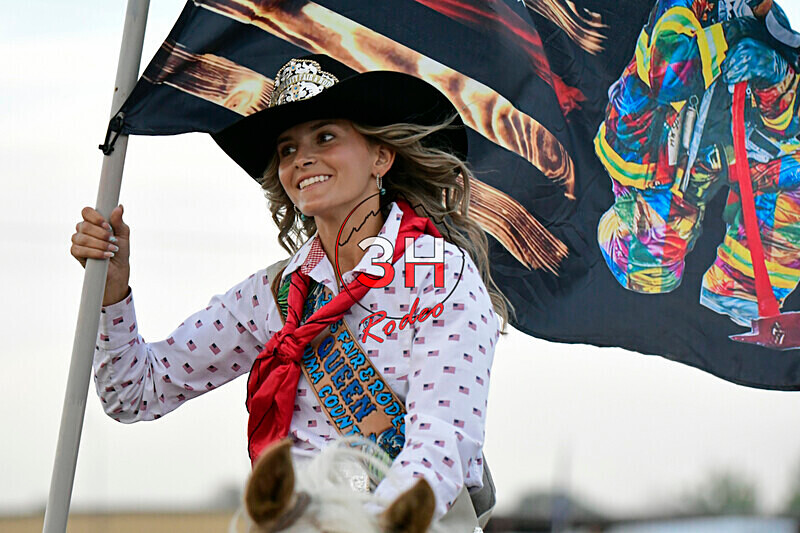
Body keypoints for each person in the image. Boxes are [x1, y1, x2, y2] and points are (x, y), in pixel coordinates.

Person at [70, 54, 510, 529]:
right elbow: (135, 392)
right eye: (286, 149)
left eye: (326, 136)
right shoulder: (273, 294)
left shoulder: (437, 275)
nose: (302, 158)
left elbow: (439, 445)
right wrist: (112, 293)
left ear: (381, 157)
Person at [594, 0, 800, 327]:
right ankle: (742, 293)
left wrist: (755, 53)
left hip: (703, 19)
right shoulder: (687, 6)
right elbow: (670, 74)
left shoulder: (626, 140)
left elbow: (670, 72)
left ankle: (742, 293)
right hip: (652, 159)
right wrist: (752, 51)